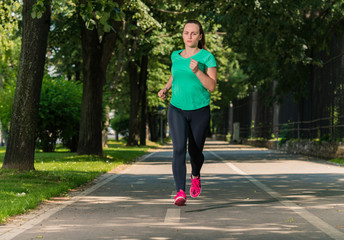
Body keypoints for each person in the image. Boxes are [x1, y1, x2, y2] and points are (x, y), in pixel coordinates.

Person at [158, 20, 217, 206]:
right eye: (186, 33)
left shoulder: (207, 57)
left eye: (193, 33)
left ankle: (196, 174)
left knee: (195, 151)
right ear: (182, 35)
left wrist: (198, 71)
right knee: (178, 149)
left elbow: (212, 86)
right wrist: (166, 88)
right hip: (177, 108)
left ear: (200, 36)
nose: (189, 36)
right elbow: (175, 74)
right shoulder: (175, 55)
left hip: (199, 110)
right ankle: (180, 191)